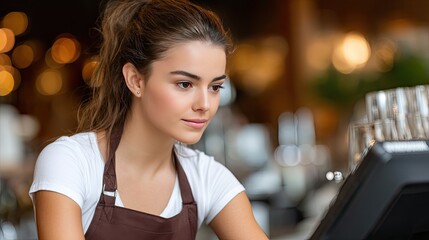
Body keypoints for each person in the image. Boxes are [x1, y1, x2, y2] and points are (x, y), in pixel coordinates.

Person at [29, 0, 269, 239]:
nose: (205, 105)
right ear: (136, 80)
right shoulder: (72, 163)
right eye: (185, 84)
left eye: (215, 87)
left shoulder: (206, 177)